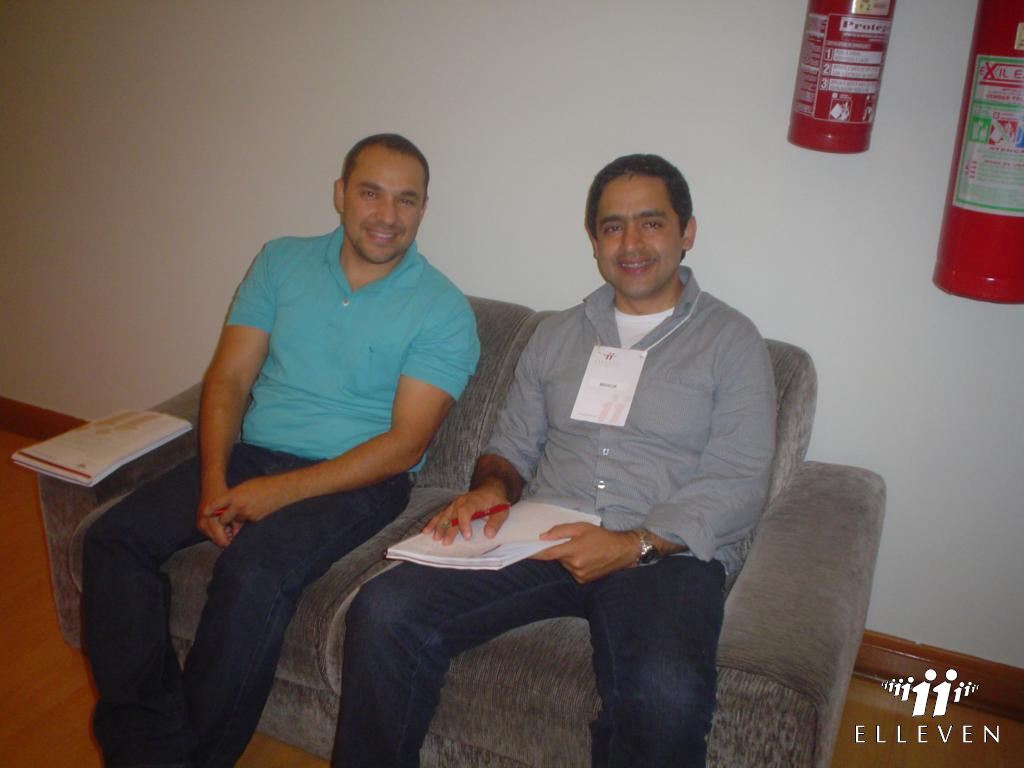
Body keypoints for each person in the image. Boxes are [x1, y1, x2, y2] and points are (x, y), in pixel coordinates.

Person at [334, 153, 777, 767]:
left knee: (664, 694)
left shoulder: (732, 341)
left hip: (662, 553)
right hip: (543, 533)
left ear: (687, 233)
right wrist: (490, 489)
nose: (631, 243)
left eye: (651, 223)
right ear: (594, 240)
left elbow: (740, 480)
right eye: (613, 226)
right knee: (386, 610)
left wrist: (632, 545)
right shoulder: (558, 334)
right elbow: (512, 444)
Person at [82, 133, 480, 768]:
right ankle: (146, 746)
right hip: (254, 453)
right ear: (340, 194)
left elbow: (405, 445)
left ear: (424, 209)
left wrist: (277, 494)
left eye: (406, 200)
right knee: (112, 538)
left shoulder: (442, 308)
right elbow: (229, 379)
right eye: (371, 192)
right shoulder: (280, 261)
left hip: (359, 478)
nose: (387, 215)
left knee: (253, 573)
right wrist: (215, 478)